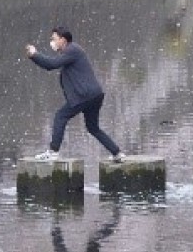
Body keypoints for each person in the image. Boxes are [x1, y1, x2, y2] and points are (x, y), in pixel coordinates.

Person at [26, 28, 125, 163]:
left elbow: (51, 64)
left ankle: (53, 152)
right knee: (93, 127)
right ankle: (117, 153)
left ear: (63, 40)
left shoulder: (72, 50)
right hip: (94, 95)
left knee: (60, 116)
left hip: (85, 96)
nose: (52, 42)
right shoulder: (71, 52)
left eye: (54, 39)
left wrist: (34, 54)